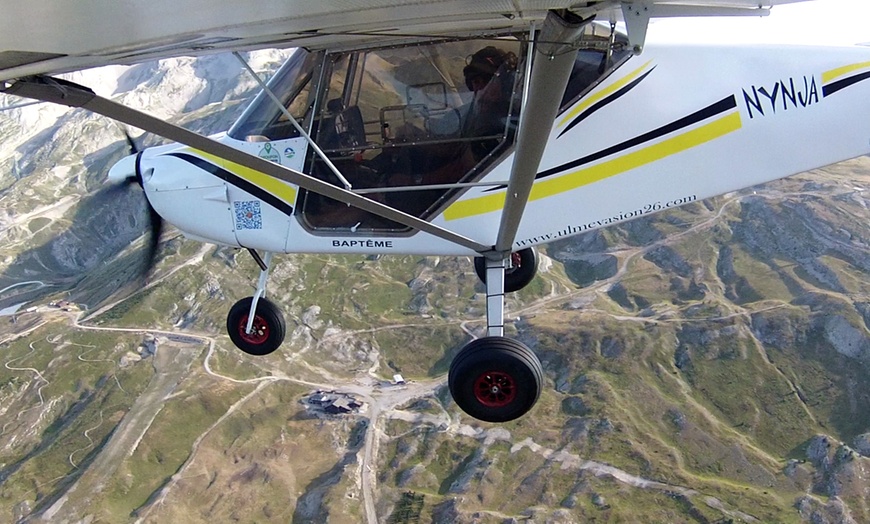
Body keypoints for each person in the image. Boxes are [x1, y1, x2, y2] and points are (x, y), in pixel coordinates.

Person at [461, 46, 518, 159]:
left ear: (505, 82)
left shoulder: (516, 117)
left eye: (487, 79)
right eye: (475, 81)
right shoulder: (469, 116)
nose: (479, 87)